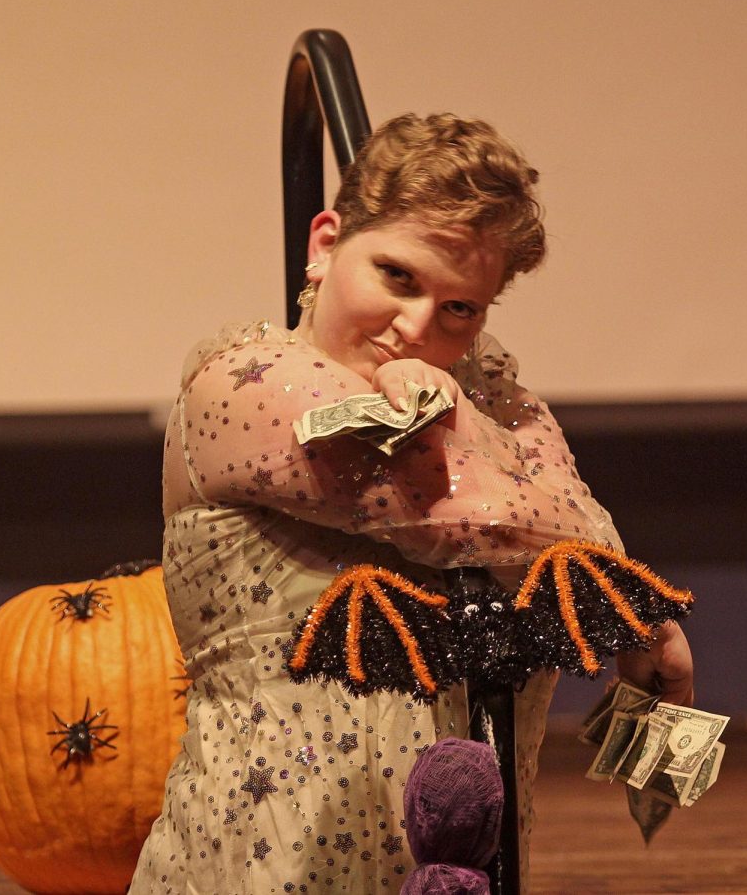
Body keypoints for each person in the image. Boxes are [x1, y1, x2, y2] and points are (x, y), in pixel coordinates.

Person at [130, 113, 692, 894]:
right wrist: (465, 420)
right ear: (324, 243)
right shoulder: (241, 383)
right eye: (397, 276)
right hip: (261, 868)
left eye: (461, 308)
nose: (415, 326)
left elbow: (591, 536)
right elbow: (467, 515)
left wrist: (462, 408)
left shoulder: (494, 397)